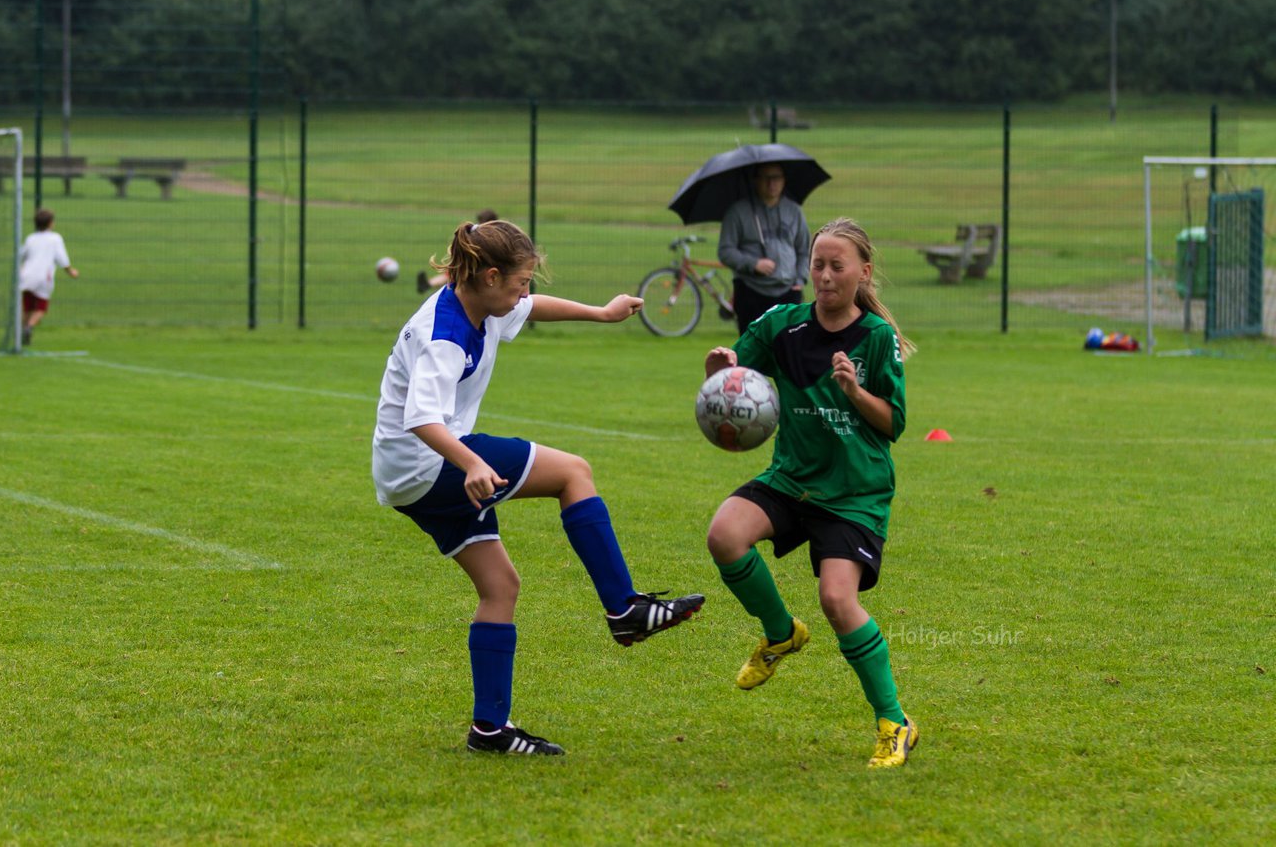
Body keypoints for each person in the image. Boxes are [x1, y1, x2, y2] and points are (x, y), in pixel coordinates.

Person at [374, 219, 705, 757]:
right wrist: (472, 464)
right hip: (431, 461)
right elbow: (422, 419)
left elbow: (533, 309)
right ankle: (624, 610)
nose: (525, 294)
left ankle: (490, 730)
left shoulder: (481, 304)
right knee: (574, 471)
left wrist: (600, 313)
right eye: (519, 283)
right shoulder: (446, 334)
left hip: (407, 475)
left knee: (500, 587)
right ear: (488, 275)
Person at [702, 217, 920, 768]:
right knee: (725, 535)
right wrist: (721, 369)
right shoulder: (783, 324)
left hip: (853, 493)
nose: (823, 275)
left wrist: (852, 389)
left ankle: (895, 721)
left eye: (836, 266)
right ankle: (781, 633)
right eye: (817, 264)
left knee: (837, 601)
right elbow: (736, 370)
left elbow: (892, 423)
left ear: (862, 273)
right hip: (792, 478)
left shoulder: (875, 338)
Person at [717, 163, 811, 334]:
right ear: (755, 180)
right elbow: (725, 251)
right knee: (752, 354)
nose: (771, 183)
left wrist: (800, 279)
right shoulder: (738, 212)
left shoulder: (794, 211)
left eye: (776, 177)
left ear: (784, 180)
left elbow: (804, 250)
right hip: (751, 292)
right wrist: (753, 263)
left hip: (788, 292)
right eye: (766, 178)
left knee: (788, 353)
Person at [18, 208, 80, 346]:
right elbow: (62, 258)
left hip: (26, 275)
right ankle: (29, 326)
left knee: (27, 305)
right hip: (43, 277)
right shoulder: (55, 238)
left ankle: (21, 332)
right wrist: (71, 271)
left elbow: (22, 255)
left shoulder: (31, 238)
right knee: (41, 307)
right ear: (51, 223)